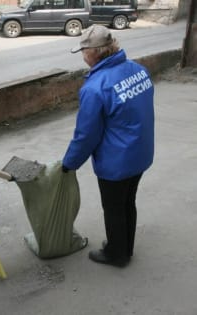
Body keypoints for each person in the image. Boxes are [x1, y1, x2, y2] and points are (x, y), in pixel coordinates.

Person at [62, 25, 154, 267]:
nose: (82, 56)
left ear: (96, 52)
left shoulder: (95, 88)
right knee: (128, 202)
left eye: (84, 51)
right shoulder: (138, 70)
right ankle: (126, 248)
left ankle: (116, 254)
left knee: (113, 207)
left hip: (117, 161)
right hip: (140, 153)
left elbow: (86, 135)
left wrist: (68, 164)